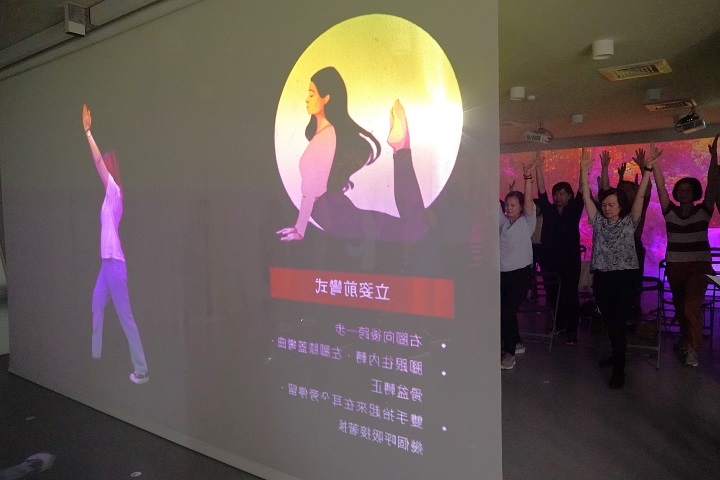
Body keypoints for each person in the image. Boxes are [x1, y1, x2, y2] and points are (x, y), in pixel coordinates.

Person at [276, 67, 427, 243]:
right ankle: (401, 148)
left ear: (326, 98)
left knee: (416, 229)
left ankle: (401, 149)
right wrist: (298, 228)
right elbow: (311, 190)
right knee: (415, 228)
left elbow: (310, 192)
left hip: (342, 220)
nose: (306, 99)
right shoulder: (324, 135)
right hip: (340, 217)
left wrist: (300, 229)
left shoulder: (326, 136)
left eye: (311, 94)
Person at [580, 145, 658, 388]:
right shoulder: (598, 222)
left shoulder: (629, 222)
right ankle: (616, 357)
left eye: (611, 204)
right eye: (604, 204)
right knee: (611, 323)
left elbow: (641, 196)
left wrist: (647, 170)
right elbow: (586, 196)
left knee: (617, 324)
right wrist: (583, 171)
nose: (606, 207)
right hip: (602, 279)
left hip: (624, 280)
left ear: (621, 206)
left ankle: (619, 370)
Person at [83, 104, 149, 385]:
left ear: (112, 170)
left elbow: (98, 162)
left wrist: (88, 133)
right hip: (106, 264)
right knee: (96, 304)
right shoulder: (108, 196)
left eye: (108, 163)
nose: (104, 164)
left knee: (125, 317)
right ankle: (96, 357)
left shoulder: (115, 191)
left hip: (115, 264)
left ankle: (141, 370)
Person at [651, 133, 719, 367]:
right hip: (675, 266)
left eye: (688, 190)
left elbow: (712, 185)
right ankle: (686, 338)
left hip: (700, 266)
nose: (683, 193)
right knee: (681, 306)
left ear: (695, 193)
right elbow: (660, 186)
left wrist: (713, 157)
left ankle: (692, 348)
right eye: (681, 190)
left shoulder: (704, 210)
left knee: (691, 305)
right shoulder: (670, 211)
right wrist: (654, 163)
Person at [535, 153, 584, 345]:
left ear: (569, 196)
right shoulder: (548, 210)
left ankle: (572, 331)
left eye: (562, 193)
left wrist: (584, 169)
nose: (558, 196)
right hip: (550, 260)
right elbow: (541, 191)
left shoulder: (575, 209)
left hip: (570, 261)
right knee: (552, 294)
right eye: (556, 193)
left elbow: (582, 189)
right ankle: (557, 323)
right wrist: (538, 167)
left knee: (570, 295)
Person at [599, 149, 653, 316]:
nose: (627, 192)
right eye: (623, 190)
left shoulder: (639, 206)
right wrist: (605, 167)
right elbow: (606, 190)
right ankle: (612, 314)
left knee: (633, 285)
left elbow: (647, 188)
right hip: (613, 248)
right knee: (612, 286)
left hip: (633, 247)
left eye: (630, 190)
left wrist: (644, 166)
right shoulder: (614, 208)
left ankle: (631, 312)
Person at [499, 157, 540, 370]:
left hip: (521, 275)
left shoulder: (527, 222)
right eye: (507, 204)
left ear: (521, 207)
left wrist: (527, 177)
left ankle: (509, 354)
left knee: (507, 312)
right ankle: (516, 342)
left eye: (513, 205)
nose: (509, 208)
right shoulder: (503, 222)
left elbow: (530, 200)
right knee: (505, 312)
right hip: (502, 275)